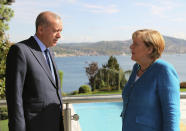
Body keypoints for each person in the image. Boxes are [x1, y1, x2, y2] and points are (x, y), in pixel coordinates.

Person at [5, 11, 64, 131]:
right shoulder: (20, 51)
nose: (59, 35)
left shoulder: (49, 53)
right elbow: (14, 98)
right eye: (55, 31)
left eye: (60, 31)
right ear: (41, 29)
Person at [121, 29, 180, 131]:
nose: (131, 47)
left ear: (150, 49)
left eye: (136, 44)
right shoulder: (137, 68)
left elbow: (171, 113)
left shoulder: (163, 70)